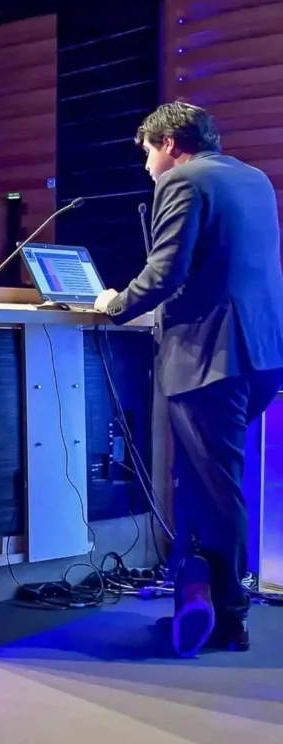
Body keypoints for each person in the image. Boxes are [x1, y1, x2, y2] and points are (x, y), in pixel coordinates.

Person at [91, 102, 283, 656]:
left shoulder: (183, 180)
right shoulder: (255, 178)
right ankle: (195, 598)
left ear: (170, 143)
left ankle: (231, 618)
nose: (147, 166)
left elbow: (166, 271)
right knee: (199, 480)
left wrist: (113, 303)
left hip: (210, 359)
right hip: (261, 354)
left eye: (148, 153)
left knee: (216, 488)